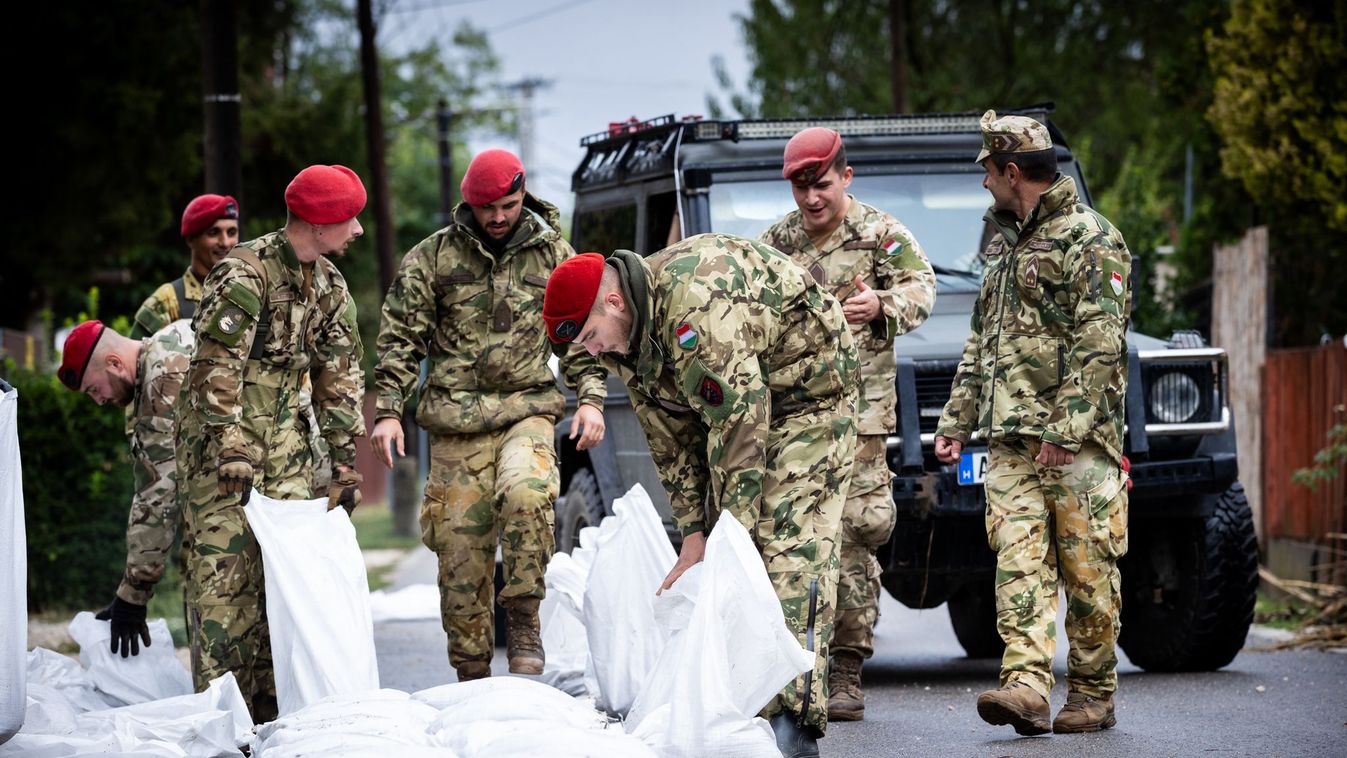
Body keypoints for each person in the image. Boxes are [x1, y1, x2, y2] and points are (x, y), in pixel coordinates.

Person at [542, 235, 858, 758]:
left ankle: (794, 722)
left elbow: (741, 420)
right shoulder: (628, 341)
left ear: (614, 302)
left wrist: (730, 534)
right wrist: (693, 535)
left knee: (786, 552)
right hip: (740, 410)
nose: (593, 352)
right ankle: (743, 708)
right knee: (714, 562)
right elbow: (671, 442)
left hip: (810, 400)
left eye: (593, 336)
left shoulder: (697, 303)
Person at [370, 149, 607, 682]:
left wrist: (591, 397)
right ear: (468, 203)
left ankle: (524, 619)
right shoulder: (432, 258)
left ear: (523, 195)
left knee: (527, 495)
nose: (497, 217)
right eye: (486, 208)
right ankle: (471, 669)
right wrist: (387, 410)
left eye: (508, 204)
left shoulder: (554, 256)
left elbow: (582, 337)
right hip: (456, 422)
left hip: (527, 409)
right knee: (459, 545)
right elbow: (400, 339)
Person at [934, 110, 1131, 735]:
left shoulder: (1091, 238)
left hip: (1076, 447)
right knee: (1018, 563)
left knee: (1086, 568)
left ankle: (1094, 692)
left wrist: (1064, 431)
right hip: (1010, 441)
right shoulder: (1000, 243)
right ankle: (1024, 687)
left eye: (988, 172)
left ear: (1012, 171)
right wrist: (957, 421)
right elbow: (981, 345)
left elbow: (1101, 341)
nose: (984, 183)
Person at [175, 164, 368, 723]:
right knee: (226, 594)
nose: (356, 231)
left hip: (286, 450)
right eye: (349, 220)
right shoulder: (244, 274)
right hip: (222, 456)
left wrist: (343, 462)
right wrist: (230, 444)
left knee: (283, 589)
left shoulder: (330, 284)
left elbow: (339, 376)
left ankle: (274, 720)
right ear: (318, 221)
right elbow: (215, 365)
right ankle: (224, 725)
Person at [759, 126, 936, 721]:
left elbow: (922, 287)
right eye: (801, 188)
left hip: (860, 416)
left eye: (823, 185)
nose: (812, 199)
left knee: (859, 532)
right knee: (800, 537)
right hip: (793, 418)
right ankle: (794, 667)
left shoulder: (880, 233)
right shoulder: (776, 243)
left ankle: (847, 668)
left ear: (847, 178)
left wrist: (884, 306)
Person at [58, 318, 193, 657]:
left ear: (114, 363)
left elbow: (159, 493)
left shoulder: (160, 380)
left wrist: (133, 595)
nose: (99, 401)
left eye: (93, 389)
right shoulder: (171, 338)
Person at [130, 194, 240, 339]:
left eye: (231, 232)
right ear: (191, 240)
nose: (225, 242)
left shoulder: (251, 290)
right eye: (214, 232)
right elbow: (135, 359)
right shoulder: (166, 301)